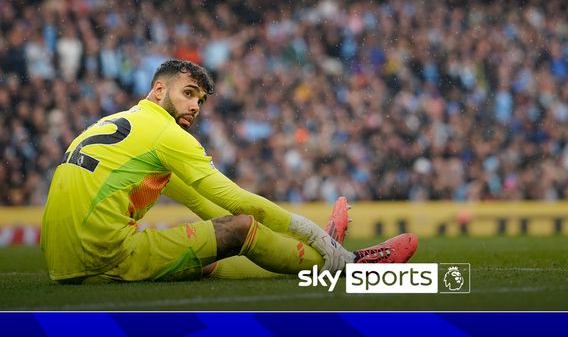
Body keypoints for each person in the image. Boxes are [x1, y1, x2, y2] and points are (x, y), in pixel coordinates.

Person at [41, 59, 417, 284]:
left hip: (60, 261)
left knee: (214, 251)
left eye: (201, 100)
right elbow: (236, 204)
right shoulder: (166, 134)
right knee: (239, 228)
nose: (196, 106)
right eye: (188, 93)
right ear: (158, 91)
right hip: (101, 256)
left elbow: (208, 209)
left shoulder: (120, 122)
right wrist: (317, 236)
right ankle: (347, 265)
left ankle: (323, 257)